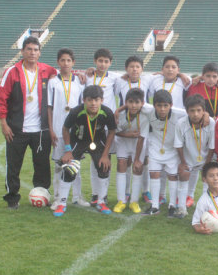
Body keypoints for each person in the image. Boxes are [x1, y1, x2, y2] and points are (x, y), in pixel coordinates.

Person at [0, 36, 57, 209]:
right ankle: (12, 198)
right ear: (22, 51)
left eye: (35, 50)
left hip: (41, 130)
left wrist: (85, 73)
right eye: (29, 49)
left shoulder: (47, 70)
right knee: (13, 166)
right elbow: (1, 99)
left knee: (42, 165)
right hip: (16, 129)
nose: (32, 52)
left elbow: (66, 74)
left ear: (40, 53)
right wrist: (4, 123)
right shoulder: (13, 72)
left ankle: (43, 193)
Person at [53, 85, 116, 217]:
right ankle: (62, 203)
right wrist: (68, 150)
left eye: (97, 100)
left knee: (104, 166)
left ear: (102, 100)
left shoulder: (107, 112)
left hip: (98, 141)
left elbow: (111, 131)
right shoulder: (76, 112)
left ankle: (101, 201)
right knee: (69, 167)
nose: (93, 103)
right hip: (78, 140)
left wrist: (105, 154)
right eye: (90, 100)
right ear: (84, 100)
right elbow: (65, 129)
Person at [47, 48, 88, 210]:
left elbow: (82, 107)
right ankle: (58, 198)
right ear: (58, 62)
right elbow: (49, 108)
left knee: (75, 164)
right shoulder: (53, 82)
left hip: (74, 131)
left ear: (73, 63)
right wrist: (50, 129)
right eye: (62, 60)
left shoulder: (79, 82)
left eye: (69, 60)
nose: (66, 63)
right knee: (59, 165)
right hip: (57, 129)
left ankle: (78, 197)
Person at [142, 90, 187, 216]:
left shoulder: (179, 113)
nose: (162, 109)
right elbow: (137, 103)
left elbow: (195, 113)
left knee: (172, 176)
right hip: (155, 148)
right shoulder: (148, 110)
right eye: (159, 106)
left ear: (171, 105)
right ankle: (155, 206)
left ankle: (172, 205)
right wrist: (119, 110)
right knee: (154, 174)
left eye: (165, 106)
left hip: (173, 150)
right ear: (154, 105)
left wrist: (206, 116)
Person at [114, 56, 152, 206]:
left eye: (137, 66)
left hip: (143, 125)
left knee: (144, 161)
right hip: (126, 125)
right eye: (131, 66)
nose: (134, 69)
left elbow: (162, 74)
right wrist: (121, 108)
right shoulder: (120, 81)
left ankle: (145, 190)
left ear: (142, 69)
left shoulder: (148, 80)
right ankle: (126, 194)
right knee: (125, 162)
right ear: (126, 69)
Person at [85, 48, 120, 207]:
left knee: (107, 159)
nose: (103, 64)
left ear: (110, 63)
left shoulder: (115, 78)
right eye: (100, 61)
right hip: (91, 124)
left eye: (106, 61)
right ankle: (95, 193)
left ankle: (103, 195)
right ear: (95, 61)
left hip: (108, 124)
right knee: (94, 160)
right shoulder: (87, 76)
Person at [174, 94, 216, 218]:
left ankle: (205, 208)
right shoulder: (181, 123)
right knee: (184, 173)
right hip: (188, 158)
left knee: (208, 177)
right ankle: (181, 208)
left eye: (199, 110)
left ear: (204, 111)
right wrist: (182, 162)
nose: (196, 114)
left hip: (206, 158)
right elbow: (178, 145)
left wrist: (207, 166)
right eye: (192, 111)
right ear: (187, 111)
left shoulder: (211, 123)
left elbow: (212, 146)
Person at [113, 88, 149, 214]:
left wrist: (138, 159)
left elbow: (141, 138)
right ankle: (121, 201)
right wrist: (128, 135)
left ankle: (134, 201)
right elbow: (116, 132)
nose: (134, 105)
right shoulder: (119, 114)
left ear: (142, 103)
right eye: (130, 102)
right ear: (126, 102)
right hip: (123, 142)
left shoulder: (145, 115)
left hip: (138, 144)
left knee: (137, 168)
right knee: (121, 165)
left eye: (137, 102)